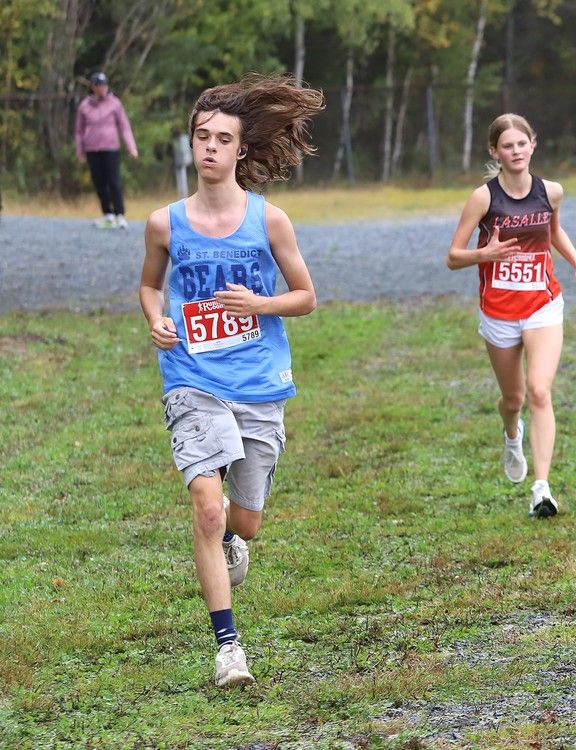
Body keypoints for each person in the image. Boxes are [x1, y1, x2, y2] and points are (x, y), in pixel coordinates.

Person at [138, 74, 324, 687]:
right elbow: (148, 285)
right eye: (202, 137)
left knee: (244, 524)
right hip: (191, 378)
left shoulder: (270, 221)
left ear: (241, 150)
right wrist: (156, 318)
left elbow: (306, 298)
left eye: (223, 138)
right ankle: (228, 648)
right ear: (191, 145)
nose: (211, 147)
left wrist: (258, 305)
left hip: (258, 381)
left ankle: (236, 544)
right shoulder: (164, 223)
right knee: (207, 509)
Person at [446, 113, 576, 518]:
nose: (515, 152)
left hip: (543, 303)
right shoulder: (483, 198)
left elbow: (553, 233)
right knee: (513, 399)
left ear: (533, 145)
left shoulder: (551, 192)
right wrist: (485, 254)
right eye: (507, 146)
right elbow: (453, 256)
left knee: (538, 391)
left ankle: (542, 487)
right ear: (494, 151)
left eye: (521, 144)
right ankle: (511, 435)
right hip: (498, 310)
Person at [75, 71, 138, 229]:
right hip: (92, 149)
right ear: (93, 87)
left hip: (110, 148)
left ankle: (120, 214)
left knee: (114, 181)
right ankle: (107, 214)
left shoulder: (114, 103)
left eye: (104, 85)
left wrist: (131, 147)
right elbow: (79, 131)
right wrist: (80, 151)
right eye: (99, 85)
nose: (102, 88)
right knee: (99, 182)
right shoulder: (85, 106)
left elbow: (124, 126)